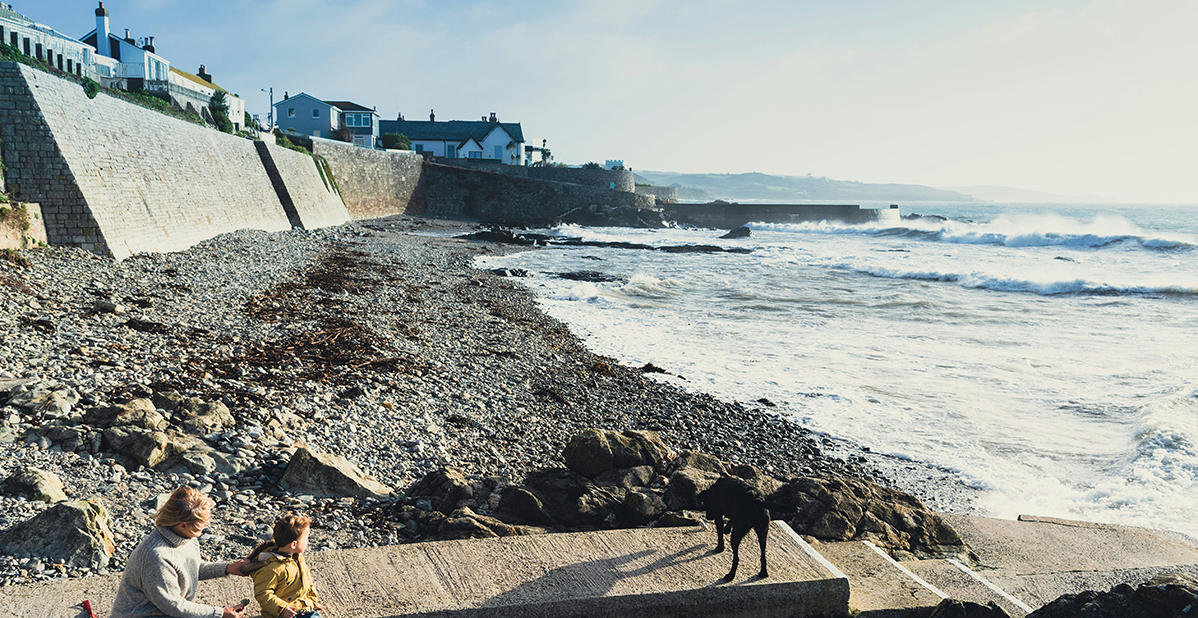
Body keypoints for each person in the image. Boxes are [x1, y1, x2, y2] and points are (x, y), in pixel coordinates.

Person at [110, 486, 251, 618]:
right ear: (182, 525)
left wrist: (227, 568)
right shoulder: (156, 557)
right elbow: (174, 605)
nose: (207, 524)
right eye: (202, 522)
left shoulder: (186, 537)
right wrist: (220, 613)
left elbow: (191, 569)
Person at [245, 514, 324, 618]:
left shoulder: (298, 558)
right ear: (293, 544)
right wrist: (281, 609)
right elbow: (263, 593)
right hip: (279, 614)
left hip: (302, 609)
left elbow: (307, 581)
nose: (307, 541)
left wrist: (310, 601)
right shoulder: (271, 567)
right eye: (306, 538)